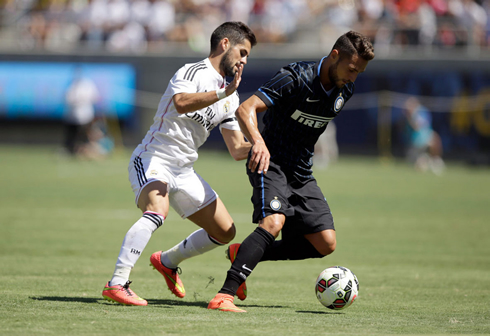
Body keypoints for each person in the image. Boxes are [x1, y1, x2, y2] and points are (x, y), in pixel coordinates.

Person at [207, 30, 375, 313]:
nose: (353, 77)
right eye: (351, 69)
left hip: (301, 172)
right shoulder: (296, 77)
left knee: (325, 243)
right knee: (274, 222)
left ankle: (244, 252)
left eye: (359, 72)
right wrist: (258, 142)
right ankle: (224, 295)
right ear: (335, 56)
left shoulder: (345, 89)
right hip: (268, 161)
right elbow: (246, 108)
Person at [102, 21, 257, 306]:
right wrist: (223, 93)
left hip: (184, 170)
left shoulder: (230, 95)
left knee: (225, 231)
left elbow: (236, 149)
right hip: (154, 158)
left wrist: (263, 147)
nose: (244, 61)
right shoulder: (193, 71)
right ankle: (117, 283)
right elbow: (182, 103)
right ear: (225, 44)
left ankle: (168, 261)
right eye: (243, 52)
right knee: (157, 210)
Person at [403, 96, 445, 175]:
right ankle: (425, 159)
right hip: (415, 145)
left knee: (435, 139)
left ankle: (435, 160)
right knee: (417, 164)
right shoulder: (408, 117)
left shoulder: (421, 112)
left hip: (424, 140)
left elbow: (419, 126)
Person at [64, 68, 100, 156]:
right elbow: (68, 98)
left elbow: (95, 97)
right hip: (73, 116)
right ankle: (71, 151)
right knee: (72, 135)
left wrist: (83, 99)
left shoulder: (88, 84)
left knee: (85, 136)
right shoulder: (72, 84)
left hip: (86, 116)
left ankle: (85, 152)